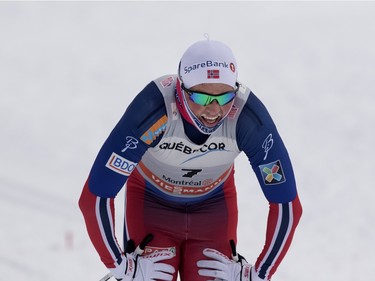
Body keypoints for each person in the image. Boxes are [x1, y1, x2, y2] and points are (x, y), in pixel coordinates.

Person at [79, 38, 302, 281]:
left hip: (212, 210)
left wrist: (259, 274)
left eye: (224, 97)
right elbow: (94, 197)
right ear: (180, 88)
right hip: (151, 206)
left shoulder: (247, 119)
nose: (214, 110)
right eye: (202, 98)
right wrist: (120, 266)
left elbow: (287, 206)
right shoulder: (154, 109)